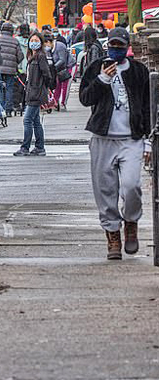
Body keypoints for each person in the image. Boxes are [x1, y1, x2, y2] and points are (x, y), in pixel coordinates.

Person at [79, 27, 150, 260]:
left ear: (127, 47)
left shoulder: (139, 71)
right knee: (105, 190)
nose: (116, 51)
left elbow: (149, 106)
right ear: (107, 45)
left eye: (120, 46)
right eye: (113, 46)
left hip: (131, 138)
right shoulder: (96, 67)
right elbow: (85, 98)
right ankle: (112, 234)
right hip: (103, 137)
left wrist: (148, 140)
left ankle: (131, 222)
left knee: (131, 186)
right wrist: (102, 80)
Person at [14, 32, 51, 157]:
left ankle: (25, 147)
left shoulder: (40, 56)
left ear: (40, 43)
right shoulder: (32, 57)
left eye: (36, 40)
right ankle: (40, 147)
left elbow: (47, 74)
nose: (33, 42)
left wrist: (42, 88)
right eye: (32, 40)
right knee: (35, 121)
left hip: (36, 93)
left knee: (27, 120)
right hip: (31, 92)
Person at [0, 22, 25, 116]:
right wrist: (15, 63)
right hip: (11, 70)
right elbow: (20, 56)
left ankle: (0, 108)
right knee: (9, 88)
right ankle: (8, 109)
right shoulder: (15, 41)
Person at [51, 31, 74, 111]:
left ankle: (63, 103)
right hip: (59, 69)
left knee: (65, 86)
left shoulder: (60, 46)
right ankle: (55, 102)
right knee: (57, 85)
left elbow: (62, 60)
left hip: (68, 66)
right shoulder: (48, 48)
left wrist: (53, 67)